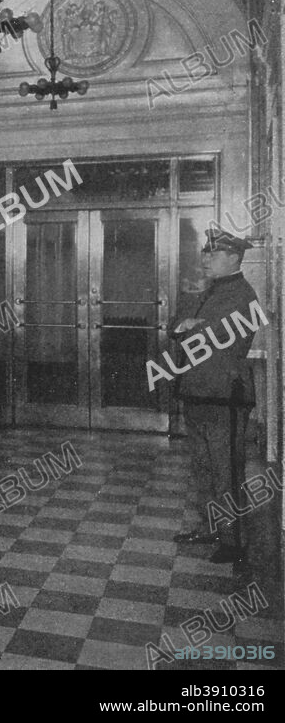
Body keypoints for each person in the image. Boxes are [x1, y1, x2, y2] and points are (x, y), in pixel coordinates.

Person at [171, 227, 260, 564]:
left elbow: (206, 336)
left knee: (227, 470)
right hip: (198, 392)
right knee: (204, 467)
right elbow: (176, 324)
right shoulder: (211, 291)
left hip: (225, 396)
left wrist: (190, 326)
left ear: (235, 258)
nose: (206, 259)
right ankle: (211, 528)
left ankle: (234, 540)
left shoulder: (242, 295)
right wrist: (186, 325)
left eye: (214, 254)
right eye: (205, 253)